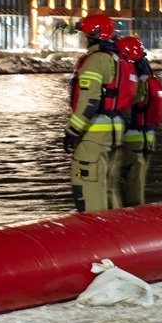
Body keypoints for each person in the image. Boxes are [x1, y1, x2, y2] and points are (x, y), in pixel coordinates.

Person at [64, 14, 134, 212]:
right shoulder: (121, 60)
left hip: (94, 134)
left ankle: (95, 235)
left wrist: (72, 131)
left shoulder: (96, 61)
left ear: (94, 35)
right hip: (115, 133)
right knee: (109, 188)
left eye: (85, 35)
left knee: (88, 187)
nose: (83, 39)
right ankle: (117, 232)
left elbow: (89, 100)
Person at [115, 36, 162, 206]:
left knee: (126, 184)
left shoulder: (133, 76)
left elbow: (128, 103)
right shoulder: (148, 75)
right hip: (147, 137)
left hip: (131, 138)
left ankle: (130, 221)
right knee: (137, 182)